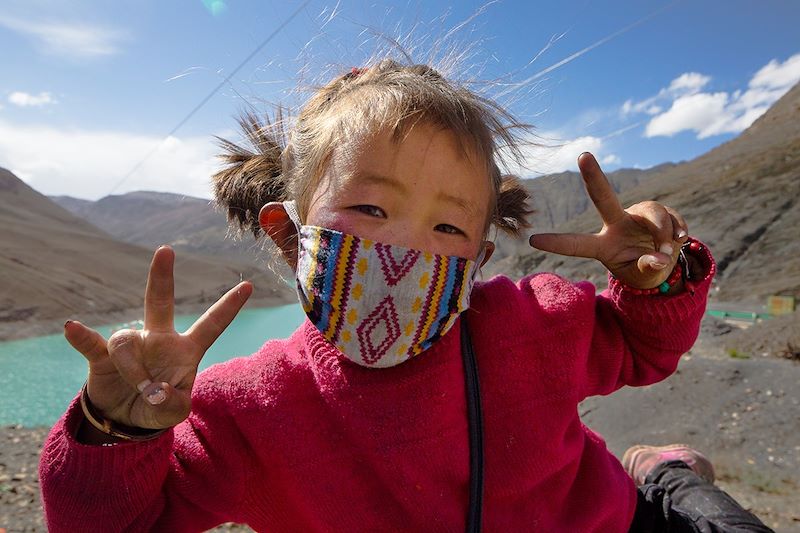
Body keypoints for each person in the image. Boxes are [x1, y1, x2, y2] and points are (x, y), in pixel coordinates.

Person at [38, 59, 768, 532]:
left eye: (448, 224)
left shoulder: (530, 322)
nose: (408, 250)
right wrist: (117, 430)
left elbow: (644, 346)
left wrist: (655, 279)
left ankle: (659, 472)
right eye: (372, 211)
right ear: (291, 236)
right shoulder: (245, 410)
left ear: (479, 258)